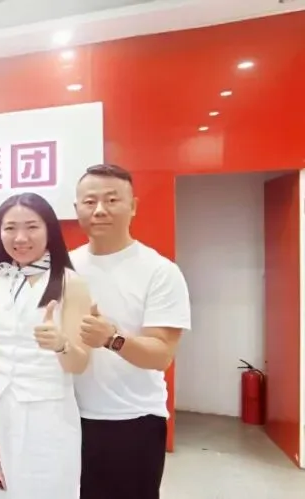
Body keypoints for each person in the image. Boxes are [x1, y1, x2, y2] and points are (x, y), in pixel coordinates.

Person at [69, 164, 191, 499]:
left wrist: (112, 339)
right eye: (89, 201)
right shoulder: (65, 267)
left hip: (132, 420)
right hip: (68, 415)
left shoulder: (160, 271)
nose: (100, 210)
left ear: (133, 206)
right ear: (76, 208)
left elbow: (161, 354)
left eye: (112, 200)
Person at [0, 193, 92, 498]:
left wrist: (61, 345)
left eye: (31, 227)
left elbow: (79, 364)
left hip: (48, 412)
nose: (20, 238)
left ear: (49, 230)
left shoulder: (70, 283)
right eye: (10, 228)